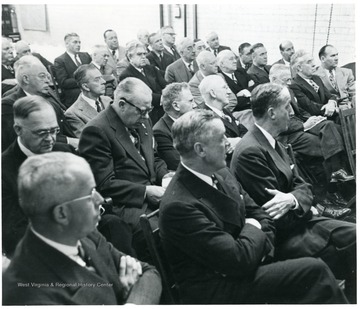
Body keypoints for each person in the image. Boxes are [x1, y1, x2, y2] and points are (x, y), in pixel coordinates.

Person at [159, 109, 348, 304]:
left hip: (249, 260)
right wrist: (253, 226)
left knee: (333, 256)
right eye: (221, 138)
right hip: (218, 289)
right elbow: (238, 259)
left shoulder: (221, 172)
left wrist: (254, 232)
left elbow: (262, 215)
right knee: (313, 272)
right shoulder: (179, 206)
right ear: (200, 150)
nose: (228, 143)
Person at [230, 83, 356, 303]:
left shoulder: (270, 141)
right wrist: (304, 205)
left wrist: (294, 199)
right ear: (272, 112)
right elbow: (278, 215)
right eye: (287, 106)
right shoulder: (251, 151)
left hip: (301, 222)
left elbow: (303, 186)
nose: (292, 112)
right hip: (286, 236)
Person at [3, 152, 162, 305]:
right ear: (62, 213)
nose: (100, 199)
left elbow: (149, 273)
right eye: (90, 194)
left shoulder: (84, 234)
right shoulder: (27, 294)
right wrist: (122, 296)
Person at [78, 77, 168, 261]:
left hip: (156, 193)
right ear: (122, 104)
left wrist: (166, 175)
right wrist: (145, 191)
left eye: (149, 110)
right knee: (170, 229)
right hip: (128, 205)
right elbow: (104, 183)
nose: (146, 116)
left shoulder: (141, 120)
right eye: (142, 111)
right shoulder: (97, 131)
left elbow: (154, 158)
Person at [270, 64, 353, 215]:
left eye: (289, 79)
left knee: (329, 135)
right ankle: (324, 199)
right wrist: (303, 125)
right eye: (285, 80)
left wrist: (310, 119)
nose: (289, 83)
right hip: (285, 135)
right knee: (322, 146)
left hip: (297, 128)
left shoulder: (285, 89)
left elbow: (298, 111)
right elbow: (280, 121)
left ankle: (330, 193)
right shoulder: (270, 95)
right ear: (274, 79)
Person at [2, 96, 76, 257]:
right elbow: (13, 235)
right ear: (18, 130)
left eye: (54, 131)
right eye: (41, 133)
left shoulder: (64, 151)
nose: (50, 139)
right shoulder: (4, 171)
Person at [2, 55, 78, 150]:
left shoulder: (50, 98)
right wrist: (68, 141)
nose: (48, 81)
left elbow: (67, 129)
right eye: (42, 76)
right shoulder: (9, 105)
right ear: (26, 79)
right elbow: (20, 140)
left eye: (48, 76)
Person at [199, 75, 248, 165]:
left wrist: (239, 140)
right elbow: (226, 148)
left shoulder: (224, 111)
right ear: (213, 93)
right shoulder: (204, 118)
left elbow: (245, 131)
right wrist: (242, 140)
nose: (229, 92)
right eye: (225, 88)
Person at [119, 41, 167, 125]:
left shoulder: (151, 69)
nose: (143, 57)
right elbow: (141, 97)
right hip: (145, 115)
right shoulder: (126, 75)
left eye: (144, 54)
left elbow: (165, 85)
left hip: (162, 109)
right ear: (130, 57)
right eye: (139, 54)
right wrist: (164, 98)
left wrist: (168, 95)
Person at [153, 82, 196, 170]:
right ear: (176, 106)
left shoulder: (194, 120)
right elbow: (179, 164)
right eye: (190, 101)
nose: (195, 105)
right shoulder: (160, 132)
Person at [65, 64, 112, 137]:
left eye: (101, 78)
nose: (104, 81)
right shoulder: (73, 114)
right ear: (85, 86)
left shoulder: (108, 101)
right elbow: (89, 141)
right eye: (97, 79)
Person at [289, 50, 339, 118]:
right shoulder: (294, 85)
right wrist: (331, 109)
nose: (314, 64)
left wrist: (332, 103)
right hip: (314, 119)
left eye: (312, 61)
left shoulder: (316, 78)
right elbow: (310, 106)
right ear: (299, 68)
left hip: (328, 114)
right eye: (309, 62)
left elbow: (330, 96)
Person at [53, 33, 92, 108]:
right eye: (75, 42)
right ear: (67, 44)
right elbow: (63, 83)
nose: (78, 45)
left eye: (79, 42)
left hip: (89, 89)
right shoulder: (60, 60)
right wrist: (83, 80)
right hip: (73, 93)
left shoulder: (86, 56)